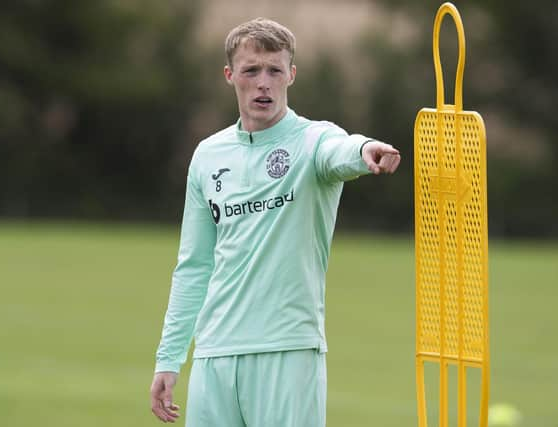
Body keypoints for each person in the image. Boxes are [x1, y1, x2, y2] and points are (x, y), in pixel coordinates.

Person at [150, 17, 400, 427]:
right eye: (251, 71)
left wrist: (365, 150)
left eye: (274, 71)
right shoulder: (208, 156)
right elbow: (194, 266)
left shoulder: (311, 140)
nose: (263, 83)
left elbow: (339, 149)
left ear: (291, 75)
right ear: (230, 76)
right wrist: (169, 357)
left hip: (288, 350)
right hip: (215, 353)